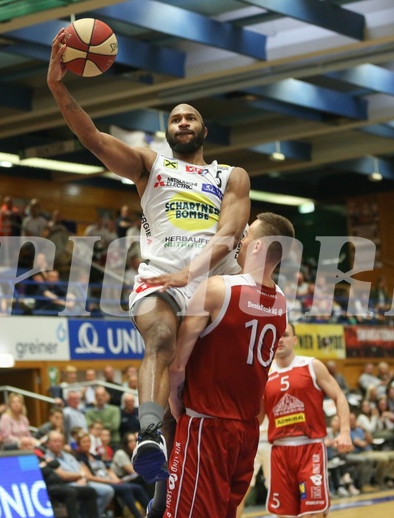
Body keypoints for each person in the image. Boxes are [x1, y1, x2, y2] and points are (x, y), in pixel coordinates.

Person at [48, 31, 250, 493]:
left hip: (212, 288)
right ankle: (148, 435)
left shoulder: (230, 175)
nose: (182, 121)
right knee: (158, 335)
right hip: (159, 283)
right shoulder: (150, 165)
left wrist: (191, 272)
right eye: (175, 117)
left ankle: (164, 504)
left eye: (190, 117)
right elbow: (92, 138)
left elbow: (229, 235)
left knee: (197, 397)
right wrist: (59, 86)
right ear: (167, 132)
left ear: (202, 130)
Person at [146, 213, 292, 518]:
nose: (239, 242)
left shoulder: (215, 289)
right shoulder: (282, 303)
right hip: (245, 432)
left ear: (257, 246)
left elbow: (177, 365)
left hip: (207, 425)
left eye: (245, 237)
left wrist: (174, 403)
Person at [265, 323, 354, 518]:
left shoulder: (311, 366)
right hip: (279, 452)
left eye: (285, 335)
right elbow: (256, 418)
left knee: (313, 517)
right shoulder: (263, 374)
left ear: (294, 339)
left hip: (310, 448)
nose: (280, 340)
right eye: (276, 337)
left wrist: (345, 432)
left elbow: (339, 395)